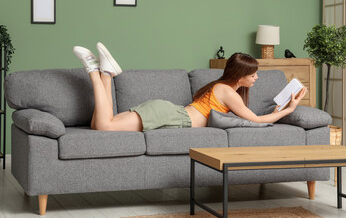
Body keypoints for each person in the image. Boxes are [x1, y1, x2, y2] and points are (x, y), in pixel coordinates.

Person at [73, 43, 307, 132]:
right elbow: (255, 120)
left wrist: (279, 110)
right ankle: (94, 72)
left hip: (170, 113)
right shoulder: (227, 91)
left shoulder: (223, 87)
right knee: (104, 126)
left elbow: (257, 119)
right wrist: (290, 108)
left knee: (99, 124)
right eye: (252, 74)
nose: (256, 78)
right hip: (175, 117)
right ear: (240, 75)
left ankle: (105, 73)